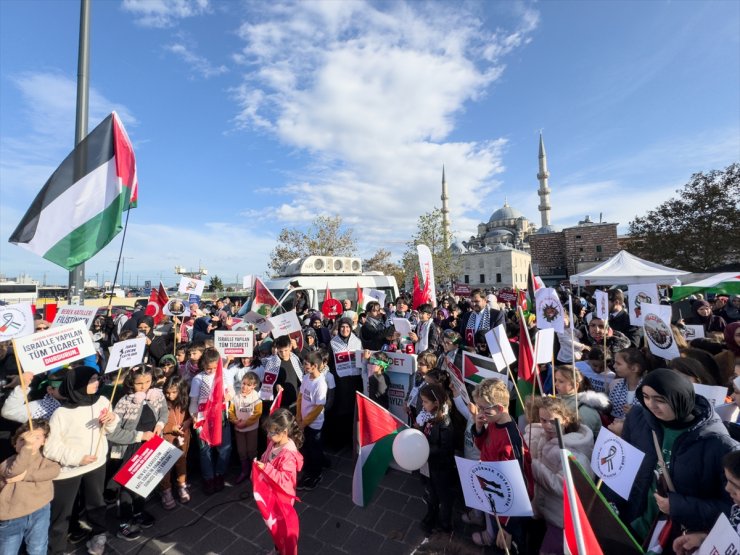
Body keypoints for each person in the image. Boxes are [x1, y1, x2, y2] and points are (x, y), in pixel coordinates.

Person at [621, 368, 738, 545]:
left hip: (676, 539)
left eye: (659, 400)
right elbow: (623, 468)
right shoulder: (639, 418)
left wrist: (679, 506)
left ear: (679, 398)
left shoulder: (720, 445)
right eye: (645, 396)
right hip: (633, 525)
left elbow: (732, 509)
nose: (651, 405)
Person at [44, 366, 119, 555]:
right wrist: (78, 458)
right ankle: (56, 549)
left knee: (96, 503)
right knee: (62, 513)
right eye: (92, 380)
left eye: (97, 378)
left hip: (97, 463)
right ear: (77, 384)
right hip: (69, 470)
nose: (97, 383)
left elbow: (109, 431)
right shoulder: (61, 413)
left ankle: (98, 536)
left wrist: (111, 420)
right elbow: (50, 448)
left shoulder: (102, 401)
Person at [469, 378, 533, 549]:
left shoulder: (510, 440)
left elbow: (518, 486)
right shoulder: (493, 422)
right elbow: (483, 447)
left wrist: (508, 527)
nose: (479, 412)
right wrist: (479, 428)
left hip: (508, 509)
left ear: (498, 408)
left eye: (483, 408)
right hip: (493, 493)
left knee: (508, 545)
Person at [106, 364, 168, 538]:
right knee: (127, 486)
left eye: (148, 381)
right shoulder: (125, 402)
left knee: (143, 482)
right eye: (140, 383)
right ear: (131, 383)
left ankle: (138, 512)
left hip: (150, 447)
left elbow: (164, 412)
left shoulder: (156, 395)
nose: (145, 386)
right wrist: (140, 435)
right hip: (130, 448)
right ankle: (125, 521)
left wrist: (160, 425)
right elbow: (114, 432)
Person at [527, 397, 594, 555]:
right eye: (543, 420)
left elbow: (562, 486)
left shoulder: (574, 451)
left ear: (566, 419)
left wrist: (532, 465)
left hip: (561, 518)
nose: (547, 426)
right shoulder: (546, 437)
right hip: (543, 509)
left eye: (553, 421)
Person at [0, 419, 60, 555]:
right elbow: (13, 472)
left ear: (43, 441)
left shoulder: (45, 461)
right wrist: (26, 449)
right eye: (23, 440)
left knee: (37, 548)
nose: (29, 442)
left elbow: (54, 471)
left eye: (36, 438)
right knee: (7, 551)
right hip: (11, 517)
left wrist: (25, 476)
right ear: (15, 444)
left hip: (40, 511)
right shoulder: (8, 463)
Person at [672, 450, 740, 553]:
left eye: (736, 485)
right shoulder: (737, 510)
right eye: (727, 480)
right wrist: (704, 539)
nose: (727, 488)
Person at [189, 348, 234, 494]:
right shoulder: (198, 379)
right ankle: (208, 478)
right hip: (203, 417)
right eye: (209, 368)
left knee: (224, 447)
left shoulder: (225, 374)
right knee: (205, 450)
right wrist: (194, 416)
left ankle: (219, 474)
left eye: (215, 368)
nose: (212, 371)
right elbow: (194, 402)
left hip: (221, 416)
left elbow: (232, 391)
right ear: (203, 365)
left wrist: (229, 396)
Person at [417, 383, 455, 534]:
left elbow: (444, 448)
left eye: (425, 401)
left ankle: (445, 524)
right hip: (429, 464)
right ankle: (431, 514)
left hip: (440, 467)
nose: (422, 404)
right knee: (431, 492)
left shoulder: (445, 422)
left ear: (436, 402)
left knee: (443, 496)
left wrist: (424, 450)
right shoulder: (428, 415)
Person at [328, 318, 364, 447]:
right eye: (342, 327)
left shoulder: (357, 341)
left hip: (355, 381)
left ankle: (352, 439)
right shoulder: (333, 343)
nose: (345, 330)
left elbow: (362, 359)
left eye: (347, 327)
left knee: (353, 409)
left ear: (351, 328)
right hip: (341, 382)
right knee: (341, 409)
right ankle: (341, 440)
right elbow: (330, 362)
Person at [296, 352, 327, 491]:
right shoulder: (306, 378)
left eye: (306, 365)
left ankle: (317, 474)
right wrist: (298, 416)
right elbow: (300, 397)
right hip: (303, 421)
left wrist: (305, 422)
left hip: (314, 424)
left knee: (315, 449)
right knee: (307, 448)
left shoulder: (320, 384)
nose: (304, 367)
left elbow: (318, 407)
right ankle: (308, 472)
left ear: (315, 366)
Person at [257, 408, 304, 500]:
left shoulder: (289, 455)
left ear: (284, 432)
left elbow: (284, 480)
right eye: (268, 432)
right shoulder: (273, 442)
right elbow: (266, 456)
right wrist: (260, 464)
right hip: (271, 491)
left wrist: (265, 468)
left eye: (271, 433)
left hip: (281, 497)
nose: (268, 435)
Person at [159, 375, 192, 509]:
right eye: (167, 392)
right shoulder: (161, 403)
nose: (170, 395)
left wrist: (188, 422)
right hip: (167, 438)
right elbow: (158, 422)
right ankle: (166, 491)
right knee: (165, 466)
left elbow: (191, 416)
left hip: (183, 436)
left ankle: (181, 486)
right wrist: (170, 428)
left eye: (174, 392)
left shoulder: (185, 401)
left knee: (181, 461)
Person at [553, 366, 610, 438]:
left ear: (575, 385)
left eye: (561, 381)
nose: (556, 384)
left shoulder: (585, 410)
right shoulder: (556, 400)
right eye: (556, 380)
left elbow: (581, 440)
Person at [228, 372, 262, 484]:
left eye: (248, 385)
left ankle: (254, 471)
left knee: (251, 451)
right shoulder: (236, 396)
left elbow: (257, 413)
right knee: (241, 451)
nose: (244, 387)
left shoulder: (256, 397)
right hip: (239, 429)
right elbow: (231, 411)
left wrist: (246, 423)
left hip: (251, 429)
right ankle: (244, 471)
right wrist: (235, 421)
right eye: (243, 383)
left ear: (254, 386)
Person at [607, 348, 650, 435]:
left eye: (619, 364)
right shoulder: (614, 384)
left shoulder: (648, 391)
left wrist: (636, 412)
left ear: (634, 368)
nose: (614, 366)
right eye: (615, 362)